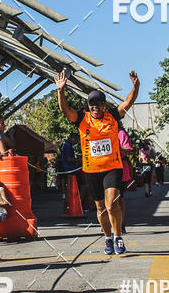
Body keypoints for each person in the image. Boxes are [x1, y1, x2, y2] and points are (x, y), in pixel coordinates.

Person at [55, 70, 139, 254]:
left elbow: (128, 102)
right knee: (100, 207)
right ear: (88, 105)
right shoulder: (82, 119)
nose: (95, 107)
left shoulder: (113, 116)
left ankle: (118, 238)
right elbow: (65, 110)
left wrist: (136, 86)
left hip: (112, 168)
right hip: (92, 170)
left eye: (99, 103)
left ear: (103, 105)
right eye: (92, 103)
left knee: (112, 204)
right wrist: (61, 91)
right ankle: (107, 238)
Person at [117, 124, 134, 233]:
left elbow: (129, 150)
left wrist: (117, 148)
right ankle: (107, 221)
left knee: (118, 197)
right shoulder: (98, 132)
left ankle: (120, 222)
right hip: (101, 168)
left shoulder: (120, 133)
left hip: (120, 168)